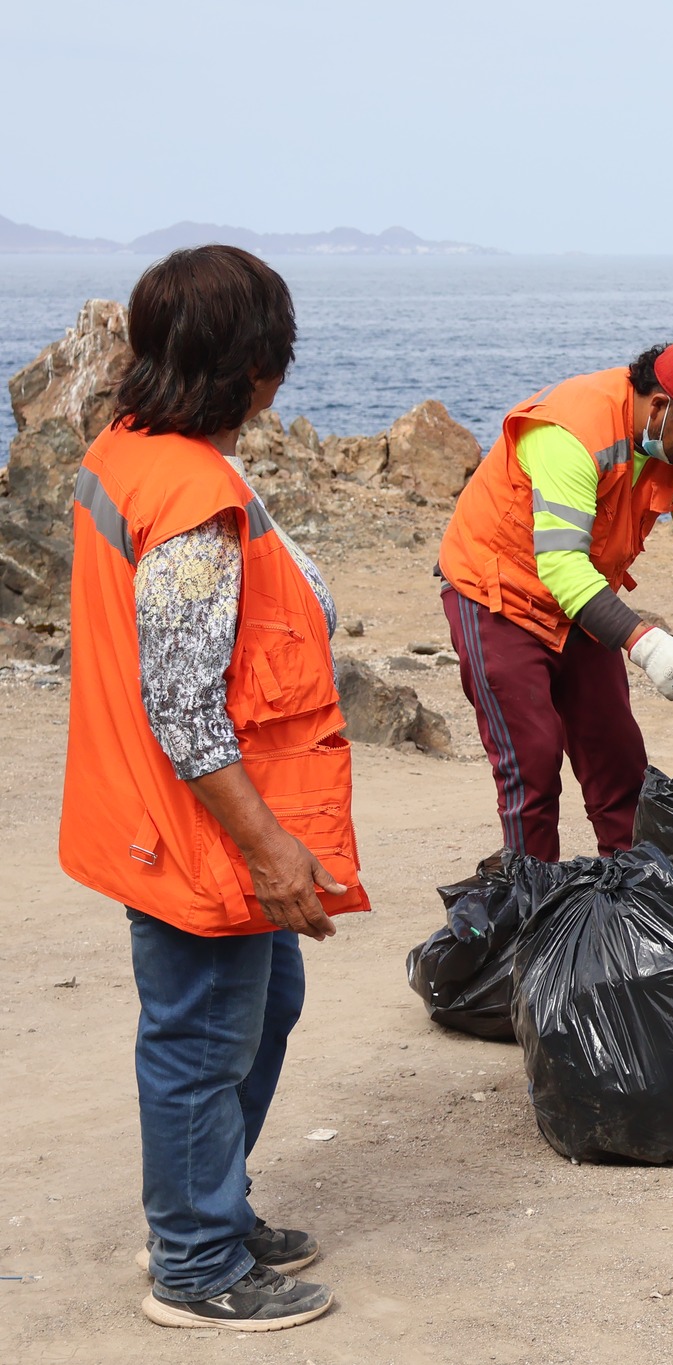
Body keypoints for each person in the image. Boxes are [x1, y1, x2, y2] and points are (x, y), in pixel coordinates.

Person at [62, 245, 369, 1331]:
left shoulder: (133, 447)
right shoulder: (190, 496)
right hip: (198, 826)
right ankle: (195, 1263)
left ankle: (212, 1206)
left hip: (169, 809)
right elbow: (185, 707)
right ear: (256, 371)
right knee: (200, 1037)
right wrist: (269, 848)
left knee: (261, 1006)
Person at [437, 341, 673, 861]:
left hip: (584, 599)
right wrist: (647, 645)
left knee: (619, 760)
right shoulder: (573, 432)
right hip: (498, 594)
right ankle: (531, 894)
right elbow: (561, 565)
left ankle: (632, 889)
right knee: (532, 762)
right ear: (660, 407)